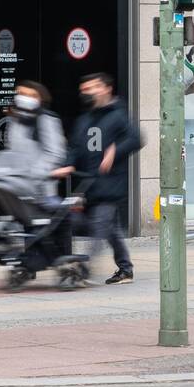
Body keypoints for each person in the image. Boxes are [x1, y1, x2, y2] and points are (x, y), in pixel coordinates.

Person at [54, 72, 142, 284]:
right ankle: (126, 269)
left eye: (92, 88)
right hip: (89, 184)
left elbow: (136, 138)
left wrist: (115, 151)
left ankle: (82, 271)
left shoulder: (118, 115)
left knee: (98, 227)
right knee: (110, 230)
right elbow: (75, 147)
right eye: (84, 89)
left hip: (111, 185)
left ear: (106, 89)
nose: (87, 92)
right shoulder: (84, 119)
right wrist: (67, 164)